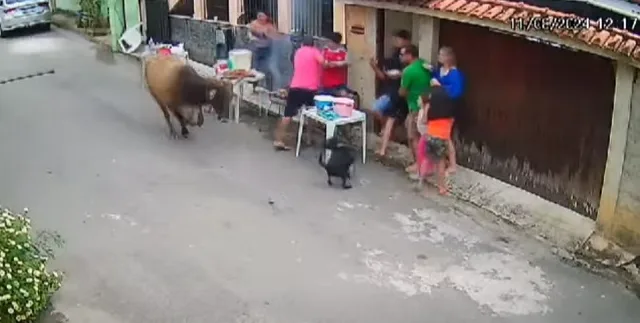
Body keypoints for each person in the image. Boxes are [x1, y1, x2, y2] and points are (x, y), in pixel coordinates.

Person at [273, 36, 325, 151]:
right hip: (310, 89)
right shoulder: (315, 51)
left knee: (288, 114)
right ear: (313, 44)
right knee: (311, 113)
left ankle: (279, 140)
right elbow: (324, 63)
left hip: (295, 87)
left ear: (302, 44)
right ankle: (309, 138)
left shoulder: (298, 52)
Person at [369, 29, 411, 157]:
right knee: (384, 116)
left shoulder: (408, 60)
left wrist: (393, 75)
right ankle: (386, 140)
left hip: (399, 94)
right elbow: (384, 76)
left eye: (397, 39)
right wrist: (374, 67)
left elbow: (396, 76)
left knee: (382, 113)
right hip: (391, 92)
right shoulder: (393, 57)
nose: (395, 42)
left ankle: (385, 144)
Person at [399, 44, 432, 175]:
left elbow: (402, 92)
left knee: (413, 137)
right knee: (420, 134)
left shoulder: (408, 71)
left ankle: (419, 164)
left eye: (402, 54)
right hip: (426, 105)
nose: (400, 57)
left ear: (409, 55)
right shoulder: (424, 64)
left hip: (415, 107)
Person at [431, 46, 464, 174]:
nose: (438, 56)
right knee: (442, 136)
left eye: (441, 54)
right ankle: (443, 162)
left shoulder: (455, 74)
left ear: (448, 58)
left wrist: (439, 86)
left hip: (450, 108)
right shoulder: (440, 70)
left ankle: (452, 164)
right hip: (440, 107)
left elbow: (456, 92)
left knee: (446, 137)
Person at [419, 87, 456, 195]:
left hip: (430, 137)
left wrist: (426, 109)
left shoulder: (431, 109)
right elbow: (451, 123)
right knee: (441, 164)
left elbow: (424, 121)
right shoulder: (449, 113)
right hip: (441, 138)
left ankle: (420, 179)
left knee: (427, 159)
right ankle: (442, 188)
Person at [320, 32, 357, 100]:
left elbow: (348, 62)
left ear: (335, 43)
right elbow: (324, 64)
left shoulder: (343, 52)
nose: (328, 43)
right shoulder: (325, 51)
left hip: (339, 85)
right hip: (326, 85)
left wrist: (335, 63)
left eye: (330, 41)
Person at [248, 12, 279, 90]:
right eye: (259, 16)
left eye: (263, 16)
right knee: (255, 69)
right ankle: (254, 87)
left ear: (266, 17)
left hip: (267, 50)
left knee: (268, 69)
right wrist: (261, 34)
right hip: (256, 50)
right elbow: (252, 32)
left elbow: (273, 34)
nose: (261, 18)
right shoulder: (254, 24)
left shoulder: (269, 25)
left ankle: (269, 89)